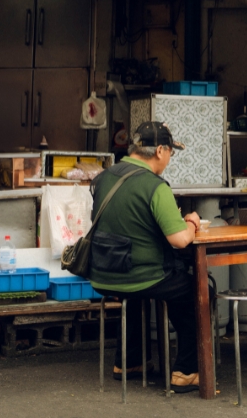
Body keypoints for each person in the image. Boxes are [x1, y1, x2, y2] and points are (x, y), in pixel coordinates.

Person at [89, 122, 204, 393]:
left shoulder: (104, 177)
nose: (169, 158)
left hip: (104, 273)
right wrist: (192, 221)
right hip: (141, 275)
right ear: (161, 151)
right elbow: (180, 240)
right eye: (170, 153)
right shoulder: (154, 185)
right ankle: (186, 372)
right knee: (191, 289)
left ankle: (129, 363)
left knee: (137, 294)